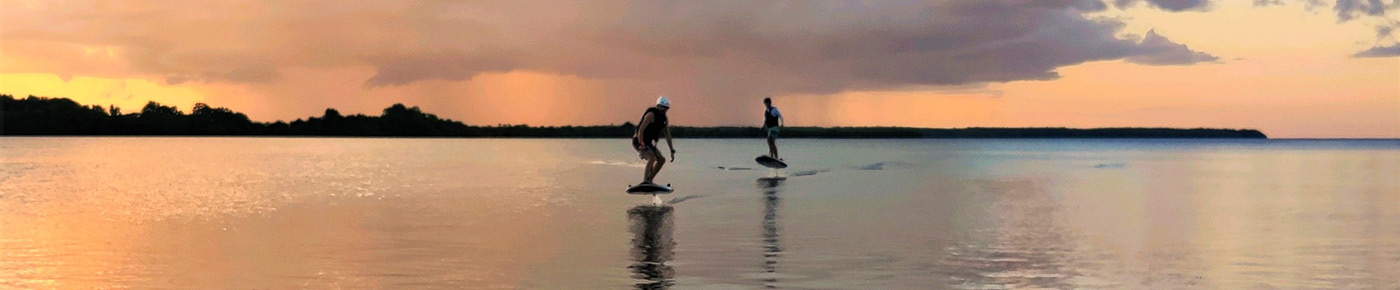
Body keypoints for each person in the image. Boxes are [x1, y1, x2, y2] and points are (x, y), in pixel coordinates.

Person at [633, 96, 676, 185]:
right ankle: (644, 181)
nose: (664, 109)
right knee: (652, 158)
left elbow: (667, 135)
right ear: (658, 106)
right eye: (662, 107)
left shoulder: (664, 120)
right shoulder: (651, 115)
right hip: (638, 140)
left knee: (661, 160)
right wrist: (642, 145)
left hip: (648, 142)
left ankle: (650, 180)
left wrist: (671, 150)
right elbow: (640, 130)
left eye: (666, 108)